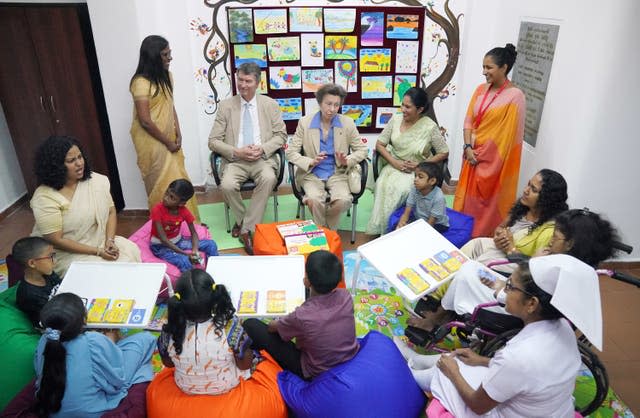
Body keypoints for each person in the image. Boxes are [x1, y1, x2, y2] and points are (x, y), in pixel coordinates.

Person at [395, 255, 602, 417]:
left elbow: (478, 405)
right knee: (461, 361)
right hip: (543, 409)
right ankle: (417, 360)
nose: (505, 291)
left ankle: (407, 377)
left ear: (532, 304)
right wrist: (482, 360)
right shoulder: (563, 328)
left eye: (510, 287)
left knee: (446, 372)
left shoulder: (519, 356)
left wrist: (453, 374)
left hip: (496, 411)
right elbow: (526, 376)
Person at [407, 169, 568, 331]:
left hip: (518, 263)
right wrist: (499, 235)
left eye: (533, 189)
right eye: (528, 185)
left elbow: (534, 269)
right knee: (472, 246)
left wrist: (511, 248)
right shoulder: (524, 207)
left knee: (473, 265)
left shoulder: (549, 230)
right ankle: (438, 293)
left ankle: (442, 313)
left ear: (547, 199)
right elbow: (501, 227)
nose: (526, 190)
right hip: (503, 249)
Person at [438, 208, 619, 319]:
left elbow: (528, 303)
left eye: (555, 238)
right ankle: (443, 311)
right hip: (515, 293)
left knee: (467, 270)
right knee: (474, 267)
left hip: (514, 307)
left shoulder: (554, 270)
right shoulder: (575, 266)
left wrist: (533, 264)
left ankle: (440, 315)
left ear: (570, 244)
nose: (549, 242)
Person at [30, 136, 141, 277]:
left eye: (80, 157)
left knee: (130, 251)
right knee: (106, 273)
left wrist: (109, 240)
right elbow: (56, 240)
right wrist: (97, 252)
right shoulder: (45, 197)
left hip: (99, 241)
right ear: (56, 166)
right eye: (71, 161)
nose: (79, 163)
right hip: (66, 253)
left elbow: (111, 212)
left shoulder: (96, 181)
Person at [33, 293, 156, 417]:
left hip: (52, 410)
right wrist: (110, 343)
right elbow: (117, 381)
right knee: (145, 339)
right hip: (92, 412)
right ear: (84, 320)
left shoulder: (45, 340)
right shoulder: (93, 341)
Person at [208, 62, 287, 255]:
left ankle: (245, 229)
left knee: (269, 178)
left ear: (257, 83)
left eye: (248, 81)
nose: (243, 85)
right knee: (226, 185)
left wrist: (262, 149)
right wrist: (237, 151)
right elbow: (213, 141)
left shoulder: (270, 105)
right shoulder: (226, 106)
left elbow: (281, 135)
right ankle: (247, 224)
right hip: (236, 160)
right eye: (240, 80)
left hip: (262, 159)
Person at [243, 250, 359, 379]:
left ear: (307, 280)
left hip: (315, 372)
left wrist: (280, 321)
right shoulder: (346, 296)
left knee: (251, 325)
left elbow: (272, 327)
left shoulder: (302, 316)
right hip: (348, 360)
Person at [453, 43, 526, 238]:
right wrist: (468, 147)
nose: (484, 72)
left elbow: (507, 137)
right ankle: (463, 235)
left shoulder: (515, 96)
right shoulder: (480, 90)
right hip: (471, 157)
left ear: (504, 68)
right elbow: (469, 120)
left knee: (487, 206)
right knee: (467, 203)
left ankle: (481, 238)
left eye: (489, 67)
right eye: (483, 67)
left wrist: (483, 154)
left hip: (494, 163)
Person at [130, 35, 200, 220]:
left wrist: (178, 132)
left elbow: (170, 105)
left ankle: (187, 223)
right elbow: (145, 121)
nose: (170, 58)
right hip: (151, 142)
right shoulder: (140, 83)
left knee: (180, 179)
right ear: (153, 56)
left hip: (169, 138)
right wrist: (168, 142)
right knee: (162, 185)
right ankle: (163, 226)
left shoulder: (168, 76)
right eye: (165, 54)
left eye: (170, 53)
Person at [366, 87, 449, 235]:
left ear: (420, 109)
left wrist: (421, 165)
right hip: (393, 165)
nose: (403, 109)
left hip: (417, 171)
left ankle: (394, 230)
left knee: (403, 190)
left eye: (408, 107)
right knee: (382, 185)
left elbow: (444, 151)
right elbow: (380, 144)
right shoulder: (396, 119)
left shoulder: (430, 126)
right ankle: (383, 227)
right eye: (402, 105)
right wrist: (394, 162)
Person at [157, 269, 254, 395]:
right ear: (214, 299)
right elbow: (244, 365)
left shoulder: (169, 331)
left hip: (186, 387)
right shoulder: (229, 326)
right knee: (251, 352)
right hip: (226, 386)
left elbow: (168, 364)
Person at [286, 83, 368, 230]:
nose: (332, 109)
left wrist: (347, 160)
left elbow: (362, 150)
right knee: (313, 199)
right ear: (319, 102)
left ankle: (322, 230)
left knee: (343, 200)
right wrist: (311, 161)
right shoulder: (304, 123)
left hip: (338, 173)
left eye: (336, 105)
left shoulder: (347, 123)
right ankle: (328, 233)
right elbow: (291, 152)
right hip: (311, 174)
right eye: (328, 104)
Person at [150, 179, 218, 272]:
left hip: (179, 241)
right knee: (184, 261)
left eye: (172, 197)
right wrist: (185, 254)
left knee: (211, 244)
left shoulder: (184, 211)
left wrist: (195, 250)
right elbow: (164, 240)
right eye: (166, 193)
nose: (166, 198)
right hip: (161, 246)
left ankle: (215, 271)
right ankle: (194, 283)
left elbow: (193, 233)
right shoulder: (157, 210)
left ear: (181, 203)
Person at [13, 237, 61, 327]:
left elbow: (62, 286)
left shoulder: (47, 273)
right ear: (32, 263)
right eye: (50, 257)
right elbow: (51, 323)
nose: (55, 261)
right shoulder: (29, 295)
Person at [390, 161, 449, 233]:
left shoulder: (438, 198)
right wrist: (401, 224)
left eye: (420, 177)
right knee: (396, 227)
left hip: (436, 224)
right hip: (419, 218)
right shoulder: (414, 189)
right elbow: (406, 214)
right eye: (415, 176)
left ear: (432, 181)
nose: (415, 179)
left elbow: (430, 225)